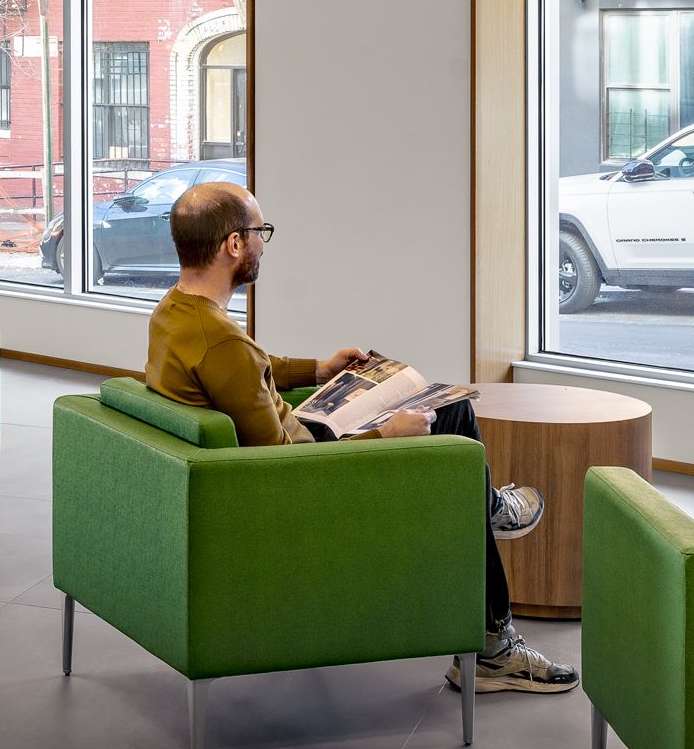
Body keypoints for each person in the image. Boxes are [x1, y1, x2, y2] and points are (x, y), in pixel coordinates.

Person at [145, 180, 577, 696]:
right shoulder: (219, 341)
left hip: (292, 448)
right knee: (452, 452)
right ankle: (494, 648)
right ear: (233, 246)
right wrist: (383, 435)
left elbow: (248, 371)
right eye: (259, 231)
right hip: (305, 479)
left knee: (449, 406)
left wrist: (321, 367)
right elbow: (284, 464)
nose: (263, 242)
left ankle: (485, 507)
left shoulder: (177, 313)